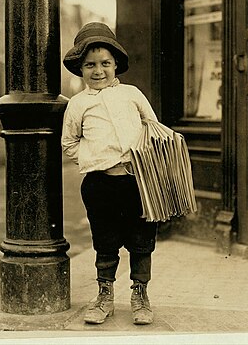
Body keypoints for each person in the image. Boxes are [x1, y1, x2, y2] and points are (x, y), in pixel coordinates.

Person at [61, 22, 158, 325]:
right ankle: (105, 296)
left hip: (137, 182)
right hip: (99, 185)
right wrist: (93, 158)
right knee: (105, 240)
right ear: (80, 68)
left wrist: (141, 158)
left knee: (141, 239)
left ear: (116, 63)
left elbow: (153, 128)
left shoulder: (132, 94)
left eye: (105, 63)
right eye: (90, 65)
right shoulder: (78, 104)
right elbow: (69, 142)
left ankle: (140, 295)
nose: (98, 70)